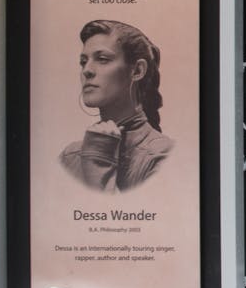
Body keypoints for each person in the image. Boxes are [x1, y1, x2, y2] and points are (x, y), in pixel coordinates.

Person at [60, 19, 173, 192]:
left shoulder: (164, 156)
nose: (87, 70)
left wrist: (98, 157)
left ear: (137, 71)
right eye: (83, 61)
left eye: (102, 59)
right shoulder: (70, 157)